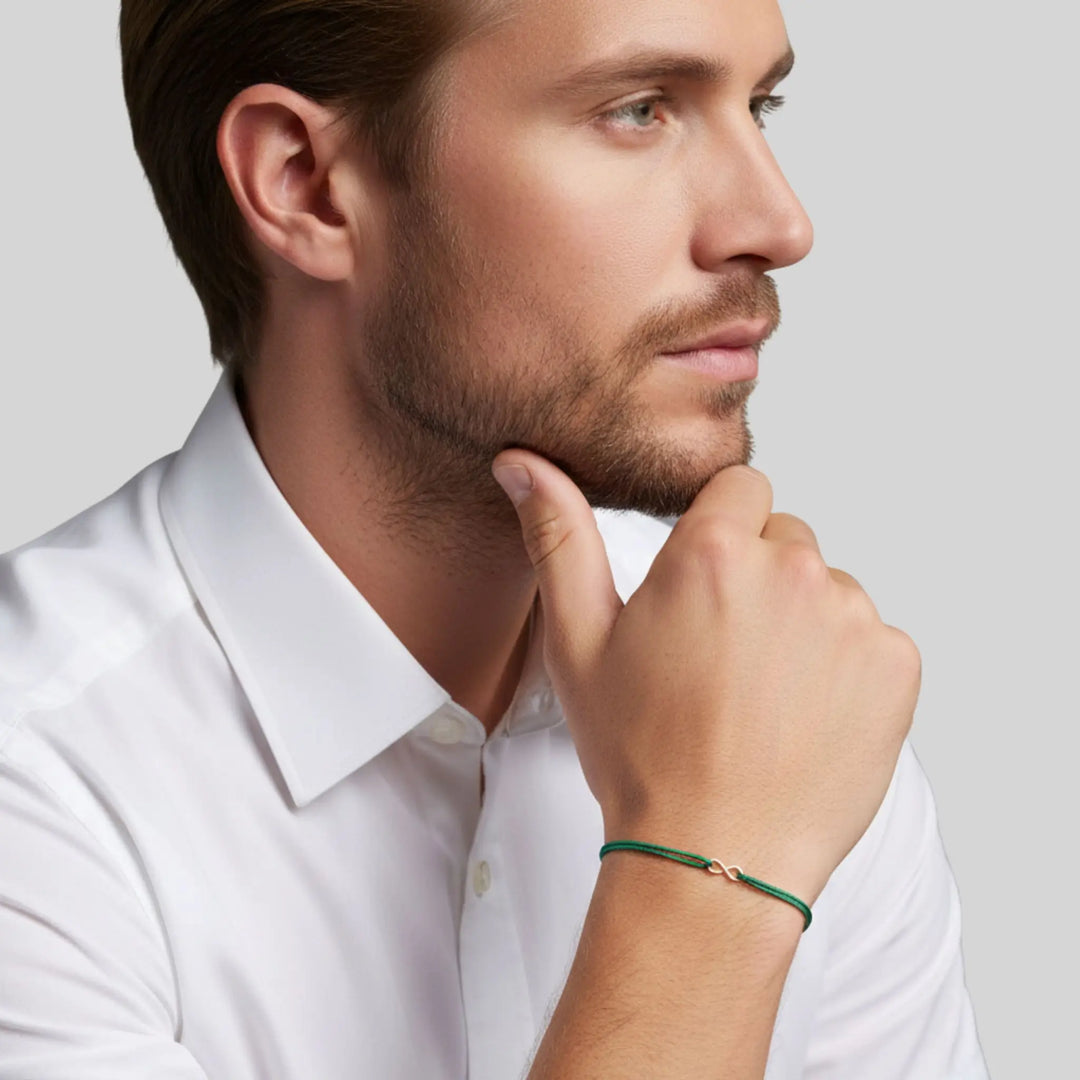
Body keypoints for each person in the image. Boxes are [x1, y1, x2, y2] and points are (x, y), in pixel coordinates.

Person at [0, 1, 991, 1077]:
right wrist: (707, 875)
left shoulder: (784, 689)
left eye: (761, 105)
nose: (779, 223)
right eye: (639, 110)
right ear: (306, 184)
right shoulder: (37, 785)